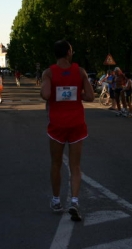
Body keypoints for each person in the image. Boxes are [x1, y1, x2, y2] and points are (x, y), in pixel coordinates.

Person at [40, 40, 94, 222]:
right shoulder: (80, 71)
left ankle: (56, 200)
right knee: (75, 166)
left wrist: (55, 90)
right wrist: (75, 92)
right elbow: (90, 96)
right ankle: (75, 201)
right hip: (77, 123)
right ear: (69, 53)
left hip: (57, 125)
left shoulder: (48, 73)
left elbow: (46, 95)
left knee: (56, 163)